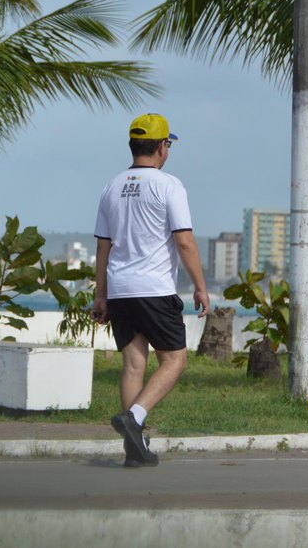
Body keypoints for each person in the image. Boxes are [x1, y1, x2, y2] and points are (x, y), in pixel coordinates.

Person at [92, 113, 210, 467]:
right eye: (168, 144)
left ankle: (135, 450)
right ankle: (135, 417)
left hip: (120, 289)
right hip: (154, 288)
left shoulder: (111, 187)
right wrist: (201, 288)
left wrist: (101, 295)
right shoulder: (169, 185)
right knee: (175, 359)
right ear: (162, 147)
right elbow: (185, 242)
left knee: (133, 365)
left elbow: (103, 246)